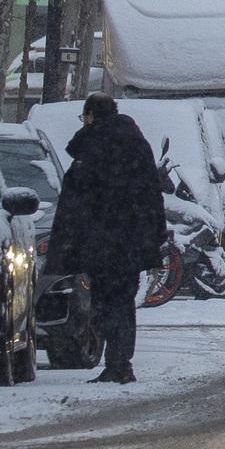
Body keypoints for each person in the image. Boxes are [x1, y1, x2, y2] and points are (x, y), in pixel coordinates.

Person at [50, 94, 168, 384]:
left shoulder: (93, 147)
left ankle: (116, 363)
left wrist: (67, 243)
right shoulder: (136, 146)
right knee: (123, 302)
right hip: (130, 243)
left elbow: (76, 200)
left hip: (100, 242)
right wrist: (152, 239)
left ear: (90, 116)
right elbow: (151, 196)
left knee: (104, 302)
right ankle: (120, 361)